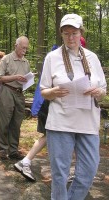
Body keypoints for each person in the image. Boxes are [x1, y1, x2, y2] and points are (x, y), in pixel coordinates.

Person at [40, 13, 106, 199]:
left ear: (81, 33)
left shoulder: (92, 58)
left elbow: (102, 89)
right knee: (60, 174)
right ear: (61, 34)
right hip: (60, 122)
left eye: (74, 33)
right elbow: (44, 90)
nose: (70, 37)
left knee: (88, 172)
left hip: (88, 122)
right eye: (66, 33)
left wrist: (98, 92)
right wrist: (52, 92)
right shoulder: (52, 58)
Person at [14, 45, 58, 182]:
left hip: (50, 107)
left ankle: (26, 161)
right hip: (49, 107)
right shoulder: (55, 62)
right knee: (50, 135)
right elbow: (44, 90)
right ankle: (25, 161)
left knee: (49, 136)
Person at [0, 36, 30, 160]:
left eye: (26, 48)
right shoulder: (6, 59)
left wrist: (27, 80)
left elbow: (25, 78)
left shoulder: (26, 62)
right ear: (16, 46)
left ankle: (13, 150)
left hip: (20, 93)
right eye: (22, 47)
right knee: (4, 121)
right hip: (7, 90)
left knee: (17, 122)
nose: (24, 50)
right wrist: (15, 77)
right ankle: (2, 149)